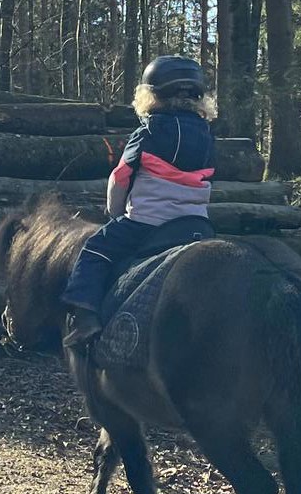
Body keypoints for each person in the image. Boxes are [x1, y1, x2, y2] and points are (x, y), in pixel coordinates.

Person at [62, 55, 216, 348]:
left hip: (148, 224)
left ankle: (85, 319)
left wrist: (115, 211)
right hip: (197, 226)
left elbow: (120, 178)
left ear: (151, 95)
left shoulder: (146, 132)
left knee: (95, 250)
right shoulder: (208, 136)